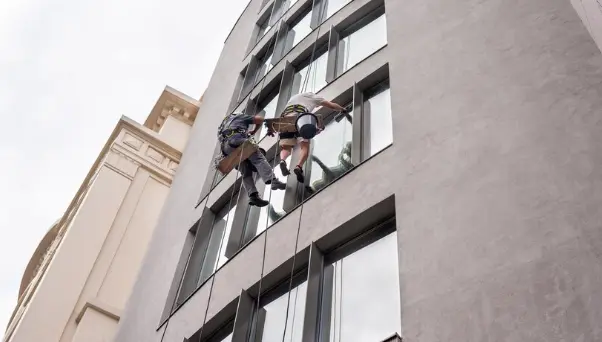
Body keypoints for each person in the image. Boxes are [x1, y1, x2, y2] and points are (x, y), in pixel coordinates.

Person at [218, 112, 286, 207]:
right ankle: (273, 181)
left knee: (245, 171)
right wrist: (254, 131)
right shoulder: (240, 117)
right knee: (258, 159)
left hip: (227, 149)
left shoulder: (222, 126)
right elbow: (260, 119)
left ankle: (253, 196)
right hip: (237, 140)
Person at [277, 92, 347, 183]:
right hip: (300, 120)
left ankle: (282, 160)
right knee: (305, 146)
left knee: (286, 147)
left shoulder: (293, 98)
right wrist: (342, 109)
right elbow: (332, 106)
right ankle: (299, 166)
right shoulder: (313, 97)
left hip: (285, 120)